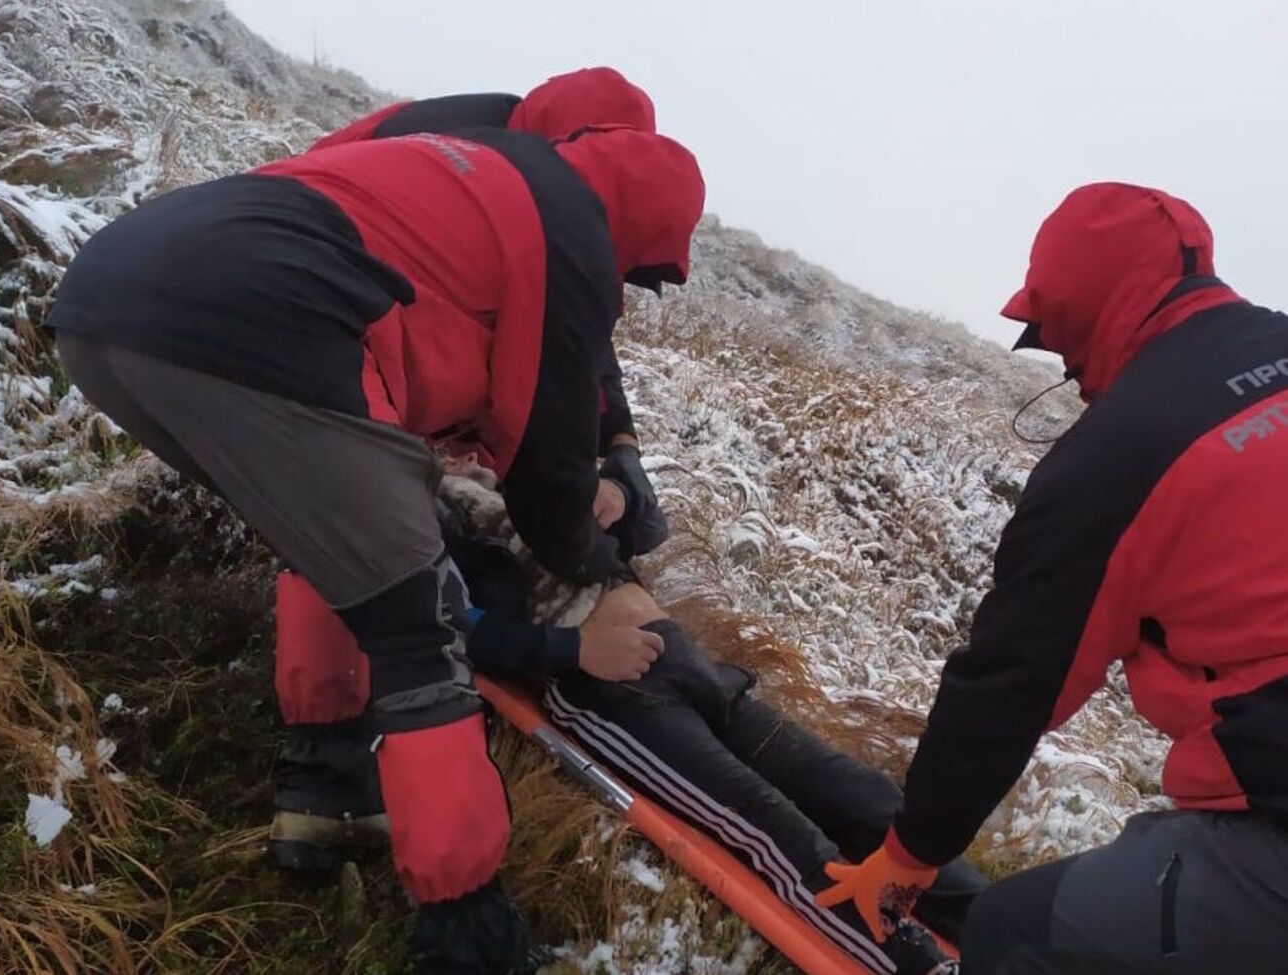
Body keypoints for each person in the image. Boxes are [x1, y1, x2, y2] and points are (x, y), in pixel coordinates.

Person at [45, 119, 704, 973]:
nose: (621, 284)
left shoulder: (470, 163)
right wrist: (591, 556)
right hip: (265, 324)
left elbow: (441, 343)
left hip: (108, 306)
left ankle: (326, 798)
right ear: (638, 221)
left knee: (329, 535)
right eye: (636, 269)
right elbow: (544, 476)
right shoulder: (566, 226)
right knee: (417, 626)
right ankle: (468, 934)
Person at [815, 182, 1288, 974]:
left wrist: (910, 851)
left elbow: (1010, 682)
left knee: (1011, 931)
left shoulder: (1115, 457)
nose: (1067, 370)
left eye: (1056, 338)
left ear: (1080, 307)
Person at [264, 66, 668, 884]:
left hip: (272, 292)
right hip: (329, 311)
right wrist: (586, 575)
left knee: (329, 525)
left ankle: (322, 779)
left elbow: (576, 329)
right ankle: (449, 888)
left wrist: (617, 442)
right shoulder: (511, 177)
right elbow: (550, 342)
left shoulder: (492, 148)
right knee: (402, 589)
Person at [425, 469, 986, 975]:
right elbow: (446, 625)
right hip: (611, 691)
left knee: (862, 795)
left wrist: (617, 491)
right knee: (773, 829)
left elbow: (646, 520)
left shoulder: (531, 462)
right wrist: (572, 649)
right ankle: (921, 965)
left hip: (691, 663)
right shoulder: (419, 516)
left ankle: (1003, 934)